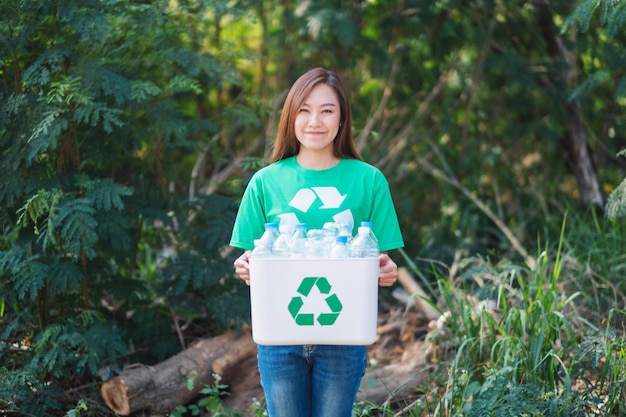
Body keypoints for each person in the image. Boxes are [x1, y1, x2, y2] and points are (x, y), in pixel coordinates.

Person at [229, 67, 404, 417]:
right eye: (305, 110)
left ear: (342, 120)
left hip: (343, 335)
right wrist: (245, 266)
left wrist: (386, 270)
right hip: (280, 334)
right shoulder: (265, 183)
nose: (315, 121)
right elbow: (254, 256)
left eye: (327, 110)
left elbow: (376, 258)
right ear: (291, 117)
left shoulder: (369, 180)